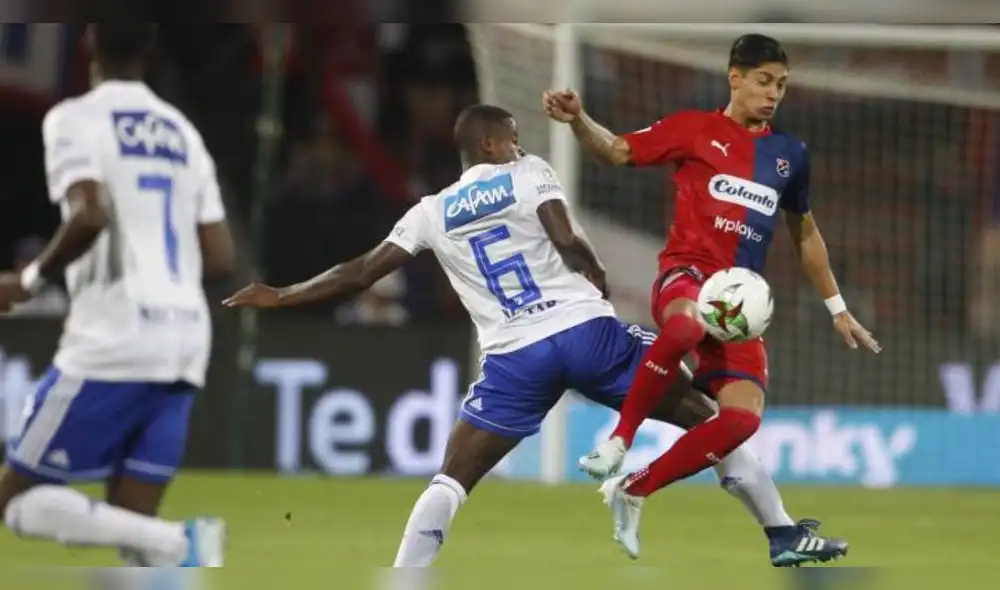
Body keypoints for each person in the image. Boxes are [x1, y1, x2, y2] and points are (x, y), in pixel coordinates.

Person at [224, 104, 845, 568]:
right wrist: (594, 272)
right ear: (495, 142)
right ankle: (781, 532)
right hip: (584, 332)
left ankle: (404, 579)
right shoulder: (527, 173)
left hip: (514, 357)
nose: (519, 143)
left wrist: (281, 295)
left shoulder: (430, 211)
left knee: (453, 477)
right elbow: (564, 236)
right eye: (514, 136)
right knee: (708, 418)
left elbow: (359, 272)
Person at [543, 33, 879, 559]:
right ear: (735, 78)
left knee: (742, 420)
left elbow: (805, 233)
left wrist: (837, 308)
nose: (774, 94)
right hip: (684, 276)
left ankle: (635, 488)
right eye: (764, 81)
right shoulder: (694, 130)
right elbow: (616, 150)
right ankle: (618, 442)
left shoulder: (789, 156)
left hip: (739, 307)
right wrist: (580, 119)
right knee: (683, 327)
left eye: (783, 86)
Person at [0, 23, 232, 567]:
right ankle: (170, 551)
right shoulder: (182, 132)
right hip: (186, 342)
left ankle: (185, 543)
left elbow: (89, 213)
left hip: (114, 338)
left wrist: (28, 280)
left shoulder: (74, 119)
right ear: (150, 51)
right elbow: (221, 257)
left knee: (15, 500)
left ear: (89, 46)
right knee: (134, 533)